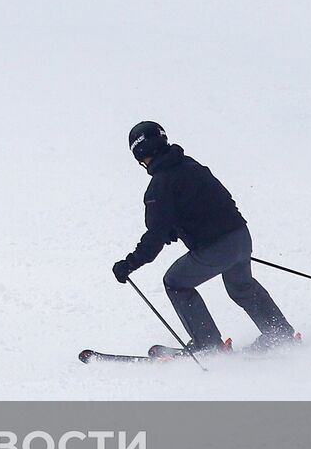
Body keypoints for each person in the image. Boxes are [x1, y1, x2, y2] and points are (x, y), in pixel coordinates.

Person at [112, 121, 296, 352]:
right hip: (241, 237)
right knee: (241, 286)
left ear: (140, 154)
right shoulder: (191, 165)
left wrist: (129, 264)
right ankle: (279, 334)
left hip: (216, 248)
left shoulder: (159, 186)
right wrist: (178, 228)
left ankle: (208, 346)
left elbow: (154, 237)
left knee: (176, 283)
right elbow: (211, 201)